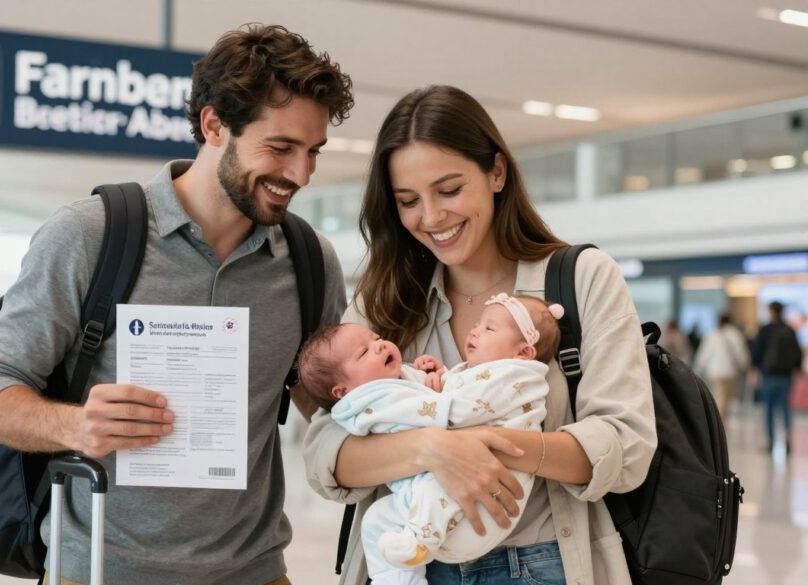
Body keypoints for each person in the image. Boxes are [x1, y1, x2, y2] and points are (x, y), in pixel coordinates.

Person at [0, 25, 352, 585]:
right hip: (95, 570)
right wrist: (75, 425)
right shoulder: (89, 236)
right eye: (281, 147)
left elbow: (329, 399)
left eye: (313, 152)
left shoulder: (310, 261)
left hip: (256, 571)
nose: (301, 174)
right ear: (214, 125)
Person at [303, 85, 656, 585]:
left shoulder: (582, 278)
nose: (431, 217)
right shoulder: (385, 297)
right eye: (408, 200)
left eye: (449, 190)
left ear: (496, 172)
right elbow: (324, 450)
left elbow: (626, 446)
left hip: (545, 565)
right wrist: (435, 449)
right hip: (414, 566)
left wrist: (493, 445)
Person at [299, 294, 562, 585]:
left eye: (377, 338)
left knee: (434, 492)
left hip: (475, 514)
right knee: (375, 520)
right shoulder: (367, 400)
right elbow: (423, 410)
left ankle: (421, 538)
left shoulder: (514, 375)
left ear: (523, 351)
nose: (380, 345)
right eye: (364, 353)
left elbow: (459, 407)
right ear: (341, 391)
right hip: (425, 498)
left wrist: (433, 380)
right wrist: (434, 408)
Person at [751, 301, 804, 453]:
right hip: (785, 376)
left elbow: (756, 352)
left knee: (768, 410)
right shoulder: (789, 330)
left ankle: (770, 442)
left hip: (768, 375)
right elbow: (797, 353)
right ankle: (787, 438)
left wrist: (755, 370)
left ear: (771, 312)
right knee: (785, 408)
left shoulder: (765, 330)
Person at [693, 313, 750, 420]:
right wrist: (745, 366)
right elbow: (741, 353)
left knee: (720, 398)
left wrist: (698, 368)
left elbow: (704, 353)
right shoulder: (735, 334)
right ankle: (719, 422)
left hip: (714, 372)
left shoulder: (712, 334)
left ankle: (719, 422)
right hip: (730, 372)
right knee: (725, 400)